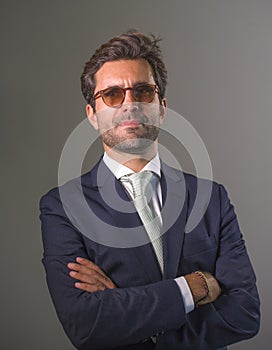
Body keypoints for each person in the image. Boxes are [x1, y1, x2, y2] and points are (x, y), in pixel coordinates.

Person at [40, 30, 260, 350]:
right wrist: (194, 287)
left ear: (161, 105)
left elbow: (245, 313)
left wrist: (132, 319)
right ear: (92, 115)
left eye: (143, 90)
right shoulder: (63, 206)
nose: (130, 104)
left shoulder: (211, 199)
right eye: (113, 94)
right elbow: (85, 325)